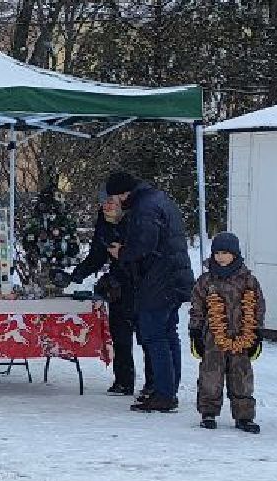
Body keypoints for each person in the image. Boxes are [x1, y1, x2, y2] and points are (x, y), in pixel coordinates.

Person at [102, 170, 195, 413]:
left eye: (116, 196)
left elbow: (145, 245)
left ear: (124, 192)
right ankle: (167, 389)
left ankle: (163, 393)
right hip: (175, 277)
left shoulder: (144, 208)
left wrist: (121, 253)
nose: (116, 202)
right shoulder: (159, 199)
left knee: (155, 336)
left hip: (158, 280)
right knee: (168, 333)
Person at [66, 194, 151, 397]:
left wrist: (124, 254)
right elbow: (97, 254)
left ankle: (153, 384)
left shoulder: (136, 219)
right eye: (103, 203)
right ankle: (124, 380)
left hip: (143, 285)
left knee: (147, 338)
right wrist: (77, 274)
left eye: (111, 203)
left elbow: (144, 251)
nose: (106, 207)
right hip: (119, 286)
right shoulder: (104, 222)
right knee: (120, 335)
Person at [188, 231, 262, 433]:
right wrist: (195, 331)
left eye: (225, 253)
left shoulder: (248, 281)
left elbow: (257, 307)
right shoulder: (205, 281)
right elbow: (197, 307)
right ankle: (208, 413)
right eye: (217, 253)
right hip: (212, 339)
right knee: (210, 376)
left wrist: (257, 333)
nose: (220, 257)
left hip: (242, 337)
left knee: (242, 377)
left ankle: (244, 416)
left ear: (235, 255)